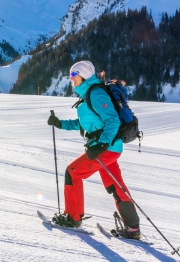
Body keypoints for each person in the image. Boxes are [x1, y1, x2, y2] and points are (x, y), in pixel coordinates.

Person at [47, 60, 141, 239]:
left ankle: (73, 218)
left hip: (106, 148)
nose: (71, 78)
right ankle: (133, 229)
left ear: (84, 75)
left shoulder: (96, 93)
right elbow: (84, 124)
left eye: (74, 75)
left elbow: (112, 120)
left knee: (73, 172)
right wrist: (60, 124)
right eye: (70, 75)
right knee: (115, 185)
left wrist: (101, 145)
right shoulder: (87, 95)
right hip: (109, 148)